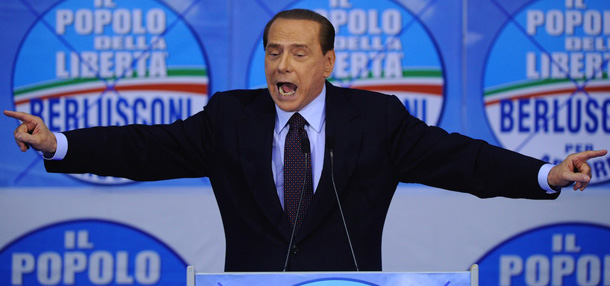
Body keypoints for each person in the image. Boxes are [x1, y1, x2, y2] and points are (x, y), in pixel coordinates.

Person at [4, 9, 607, 272]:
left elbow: (460, 159)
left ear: (327, 62)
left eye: (297, 52)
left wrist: (545, 174)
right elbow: (145, 149)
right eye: (272, 51)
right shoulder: (230, 117)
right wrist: (60, 142)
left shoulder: (375, 119)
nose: (281, 65)